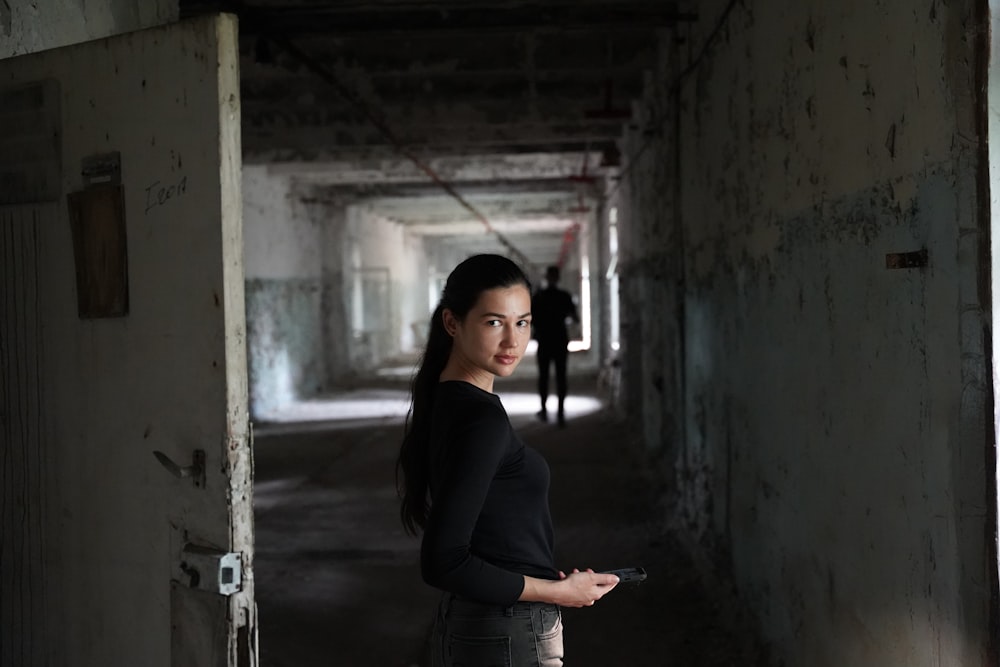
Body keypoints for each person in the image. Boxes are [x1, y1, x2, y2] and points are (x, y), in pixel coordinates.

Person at [396, 254, 618, 667]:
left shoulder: (447, 400)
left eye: (522, 322)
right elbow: (443, 560)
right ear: (452, 323)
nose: (513, 341)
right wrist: (558, 592)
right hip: (506, 633)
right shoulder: (481, 419)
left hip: (481, 625)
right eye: (494, 322)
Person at [531, 265, 580, 427]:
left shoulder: (539, 297)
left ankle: (544, 411)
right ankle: (560, 413)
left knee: (543, 376)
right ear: (558, 278)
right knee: (561, 376)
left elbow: (530, 319)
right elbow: (575, 318)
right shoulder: (564, 296)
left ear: (547, 277)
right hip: (559, 340)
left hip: (544, 340)